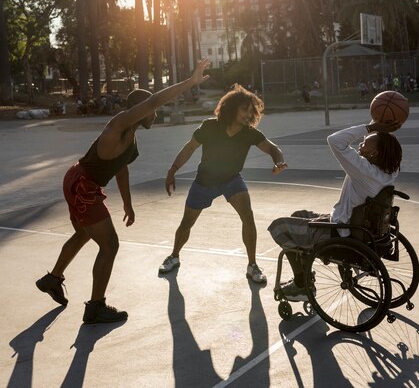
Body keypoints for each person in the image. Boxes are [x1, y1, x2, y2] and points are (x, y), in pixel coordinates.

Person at [36, 59, 211, 323]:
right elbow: (154, 102)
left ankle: (52, 279)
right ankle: (95, 307)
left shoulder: (130, 140)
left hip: (80, 182)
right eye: (151, 110)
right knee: (110, 245)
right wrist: (190, 81)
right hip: (82, 184)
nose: (155, 114)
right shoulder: (118, 125)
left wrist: (128, 204)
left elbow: (121, 169)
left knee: (84, 233)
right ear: (141, 110)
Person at [159, 84, 287, 284]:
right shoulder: (210, 126)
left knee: (248, 216)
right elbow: (189, 148)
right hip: (204, 182)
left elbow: (273, 148)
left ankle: (252, 265)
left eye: (250, 110)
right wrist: (172, 170)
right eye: (244, 109)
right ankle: (174, 256)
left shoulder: (249, 133)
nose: (248, 114)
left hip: (231, 180)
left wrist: (278, 162)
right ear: (232, 108)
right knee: (187, 223)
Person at [268, 120, 402, 301]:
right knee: (298, 216)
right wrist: (376, 128)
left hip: (339, 234)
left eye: (364, 144)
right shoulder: (388, 171)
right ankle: (304, 267)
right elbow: (372, 144)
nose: (360, 145)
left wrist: (370, 127)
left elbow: (334, 140)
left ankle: (301, 284)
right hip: (360, 229)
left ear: (374, 153)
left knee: (279, 227)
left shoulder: (363, 170)